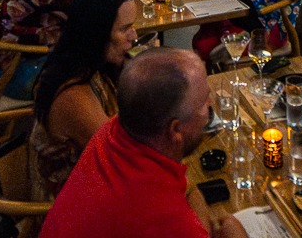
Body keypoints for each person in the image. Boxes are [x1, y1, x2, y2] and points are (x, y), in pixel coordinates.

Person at [38, 49, 247, 238]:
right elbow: (175, 212)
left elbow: (188, 189)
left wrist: (202, 224)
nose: (210, 108)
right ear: (175, 130)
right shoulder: (165, 217)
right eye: (203, 103)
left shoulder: (113, 131)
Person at [30, 0, 137, 199]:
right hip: (70, 207)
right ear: (96, 34)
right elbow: (123, 159)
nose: (134, 35)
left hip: (101, 183)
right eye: (124, 29)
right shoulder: (74, 94)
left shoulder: (93, 65)